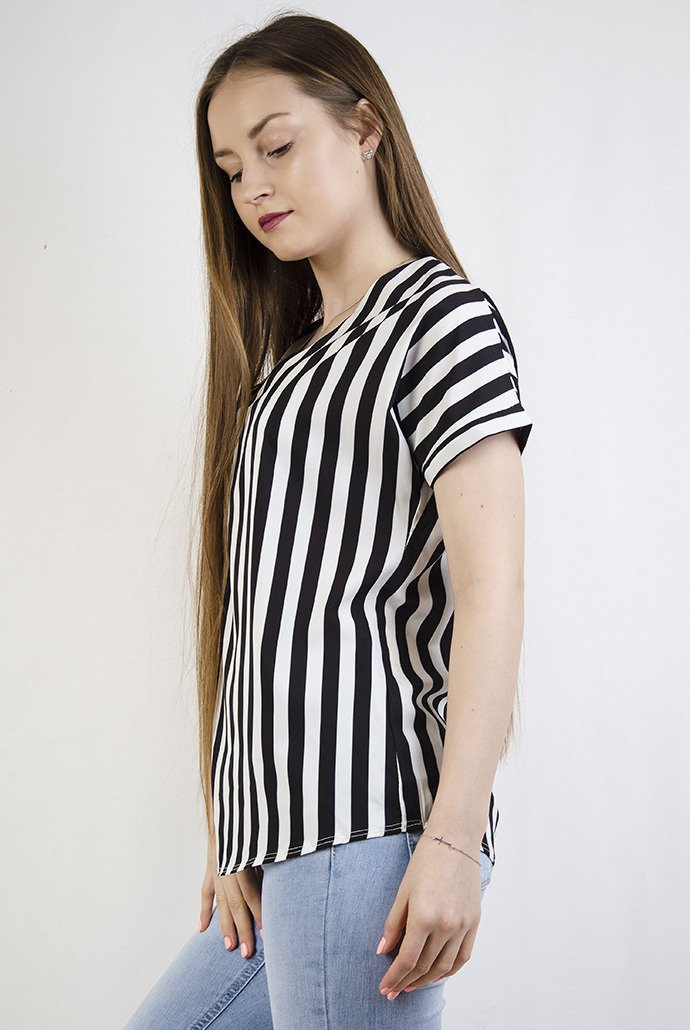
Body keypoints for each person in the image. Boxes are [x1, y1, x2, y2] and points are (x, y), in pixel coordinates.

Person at [125, 11, 533, 1029]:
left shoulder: (439, 318)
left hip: (371, 821)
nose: (252, 188)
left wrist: (453, 838)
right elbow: (268, 609)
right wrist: (235, 832)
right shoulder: (285, 370)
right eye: (230, 170)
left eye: (276, 146)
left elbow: (491, 587)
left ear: (365, 127)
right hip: (281, 841)